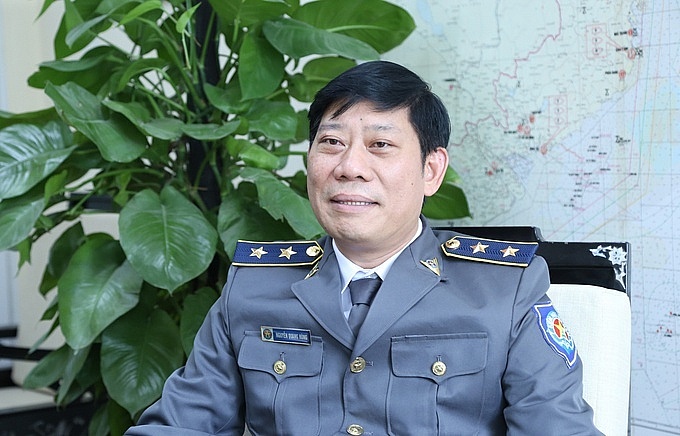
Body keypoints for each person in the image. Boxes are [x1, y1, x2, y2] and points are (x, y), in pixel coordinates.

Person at [126, 61, 601, 435]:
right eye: (331, 142)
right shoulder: (252, 288)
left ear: (431, 171)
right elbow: (179, 425)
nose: (349, 166)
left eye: (380, 145)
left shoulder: (504, 290)